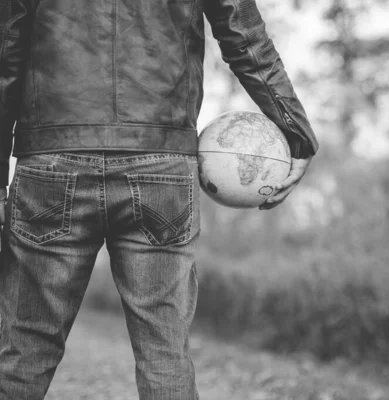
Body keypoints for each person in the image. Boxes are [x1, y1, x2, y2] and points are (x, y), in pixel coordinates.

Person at [0, 0, 318, 398]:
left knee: (23, 351)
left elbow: (6, 50)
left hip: (52, 157)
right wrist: (295, 129)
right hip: (161, 163)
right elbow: (243, 33)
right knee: (164, 352)